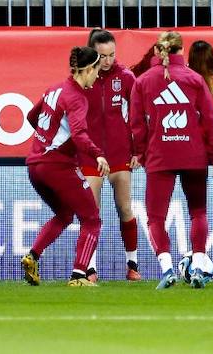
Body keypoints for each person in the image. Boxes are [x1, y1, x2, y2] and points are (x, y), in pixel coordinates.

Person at [129, 31, 213, 288]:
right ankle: (199, 267)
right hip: (194, 155)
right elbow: (211, 120)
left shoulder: (144, 81)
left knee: (156, 217)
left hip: (160, 156)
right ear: (182, 50)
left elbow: (137, 124)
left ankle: (167, 269)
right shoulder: (194, 79)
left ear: (158, 52)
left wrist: (140, 153)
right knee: (198, 212)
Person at [20, 46, 109, 287]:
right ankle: (79, 275)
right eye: (96, 71)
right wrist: (98, 155)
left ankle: (33, 256)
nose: (97, 76)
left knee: (64, 214)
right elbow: (80, 135)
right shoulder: (77, 97)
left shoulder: (54, 89)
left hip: (34, 165)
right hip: (57, 166)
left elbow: (31, 116)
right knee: (92, 219)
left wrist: (46, 139)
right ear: (88, 69)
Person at [84, 29, 142, 282]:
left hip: (120, 153)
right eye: (102, 56)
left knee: (124, 208)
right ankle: (90, 269)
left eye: (112, 55)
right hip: (91, 155)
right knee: (92, 213)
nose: (108, 60)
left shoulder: (126, 77)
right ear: (92, 53)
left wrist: (138, 150)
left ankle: (133, 265)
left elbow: (140, 117)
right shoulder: (83, 76)